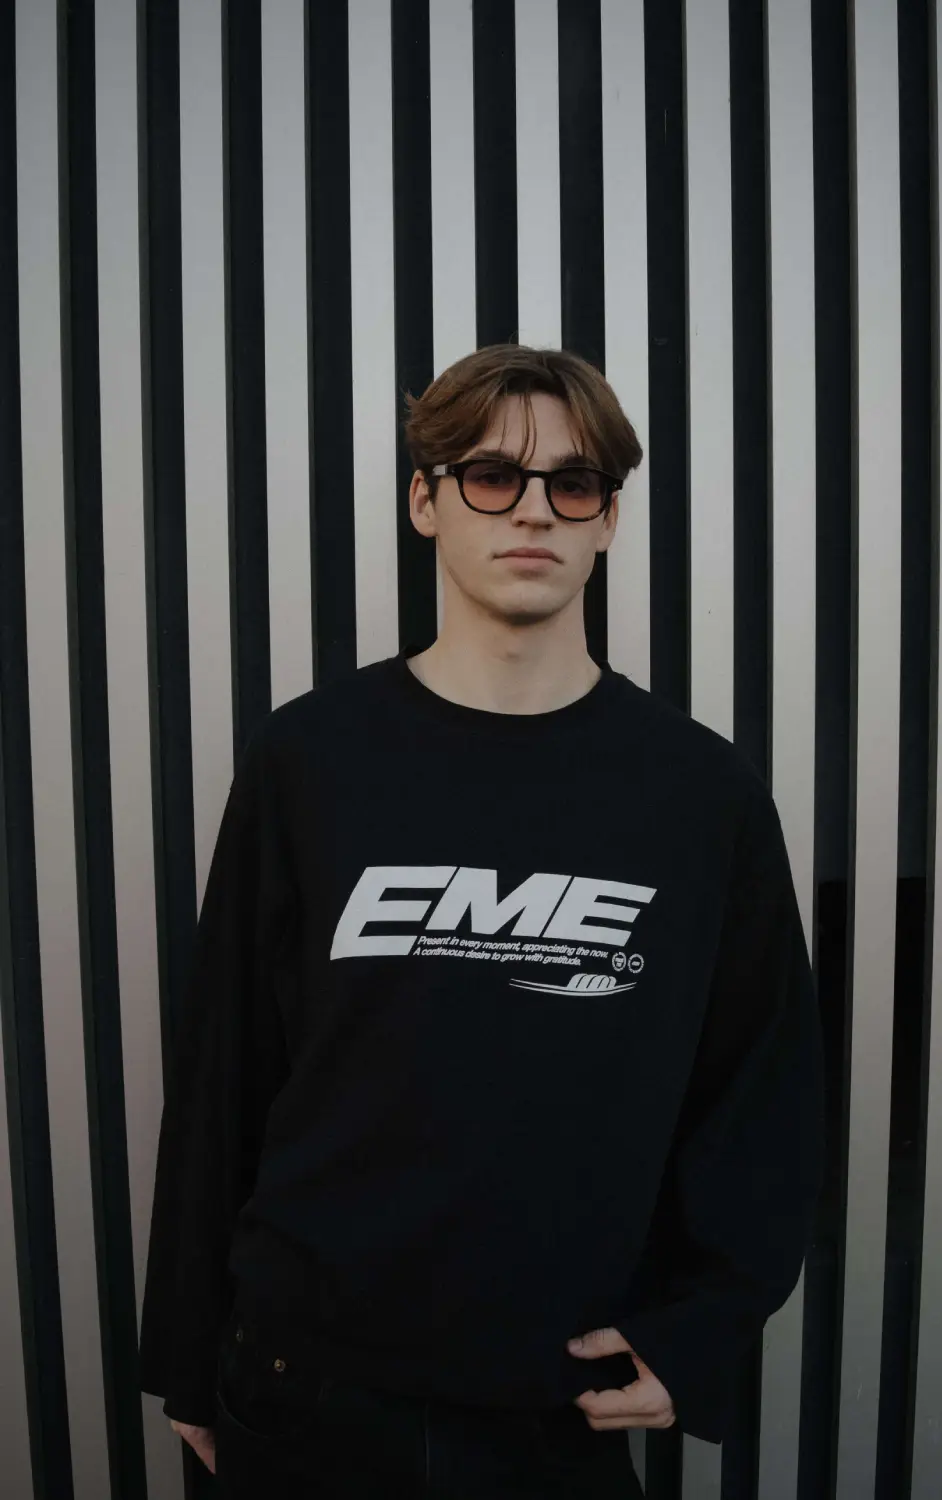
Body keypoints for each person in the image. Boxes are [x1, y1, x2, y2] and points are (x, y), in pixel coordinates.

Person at [138, 343, 825, 1498]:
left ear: (608, 520)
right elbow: (224, 1071)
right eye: (493, 476)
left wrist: (700, 1329)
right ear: (426, 500)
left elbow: (764, 1092)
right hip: (304, 1379)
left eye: (573, 483)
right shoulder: (310, 758)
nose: (534, 511)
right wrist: (186, 1359)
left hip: (558, 1397)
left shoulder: (698, 793)